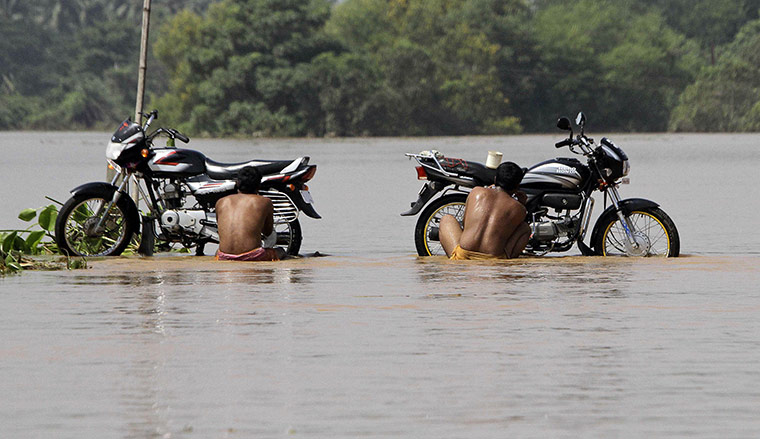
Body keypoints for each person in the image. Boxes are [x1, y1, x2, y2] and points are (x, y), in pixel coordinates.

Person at [439, 161, 531, 260]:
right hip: (494, 260)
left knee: (446, 219)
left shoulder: (476, 192)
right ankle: (507, 258)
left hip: (463, 256)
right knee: (525, 228)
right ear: (517, 186)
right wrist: (521, 204)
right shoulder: (519, 208)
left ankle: (455, 260)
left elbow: (466, 224)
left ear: (495, 179)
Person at [215, 166, 286, 261]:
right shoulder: (265, 202)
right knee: (281, 251)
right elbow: (268, 232)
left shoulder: (221, 202)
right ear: (258, 185)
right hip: (253, 255)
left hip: (224, 256)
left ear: (237, 183)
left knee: (217, 252)